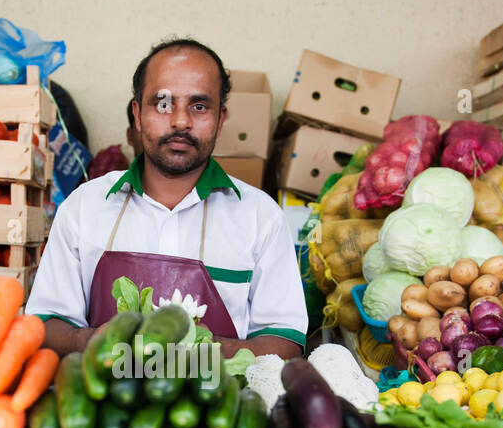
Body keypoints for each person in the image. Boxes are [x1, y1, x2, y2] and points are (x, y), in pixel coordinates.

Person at [26, 38, 308, 359]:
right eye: (163, 103)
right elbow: (45, 326)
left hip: (214, 405)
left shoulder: (261, 217)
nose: (181, 121)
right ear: (137, 113)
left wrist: (201, 351)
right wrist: (92, 341)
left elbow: (285, 342)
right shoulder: (84, 207)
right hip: (106, 400)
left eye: (199, 106)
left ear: (221, 119)